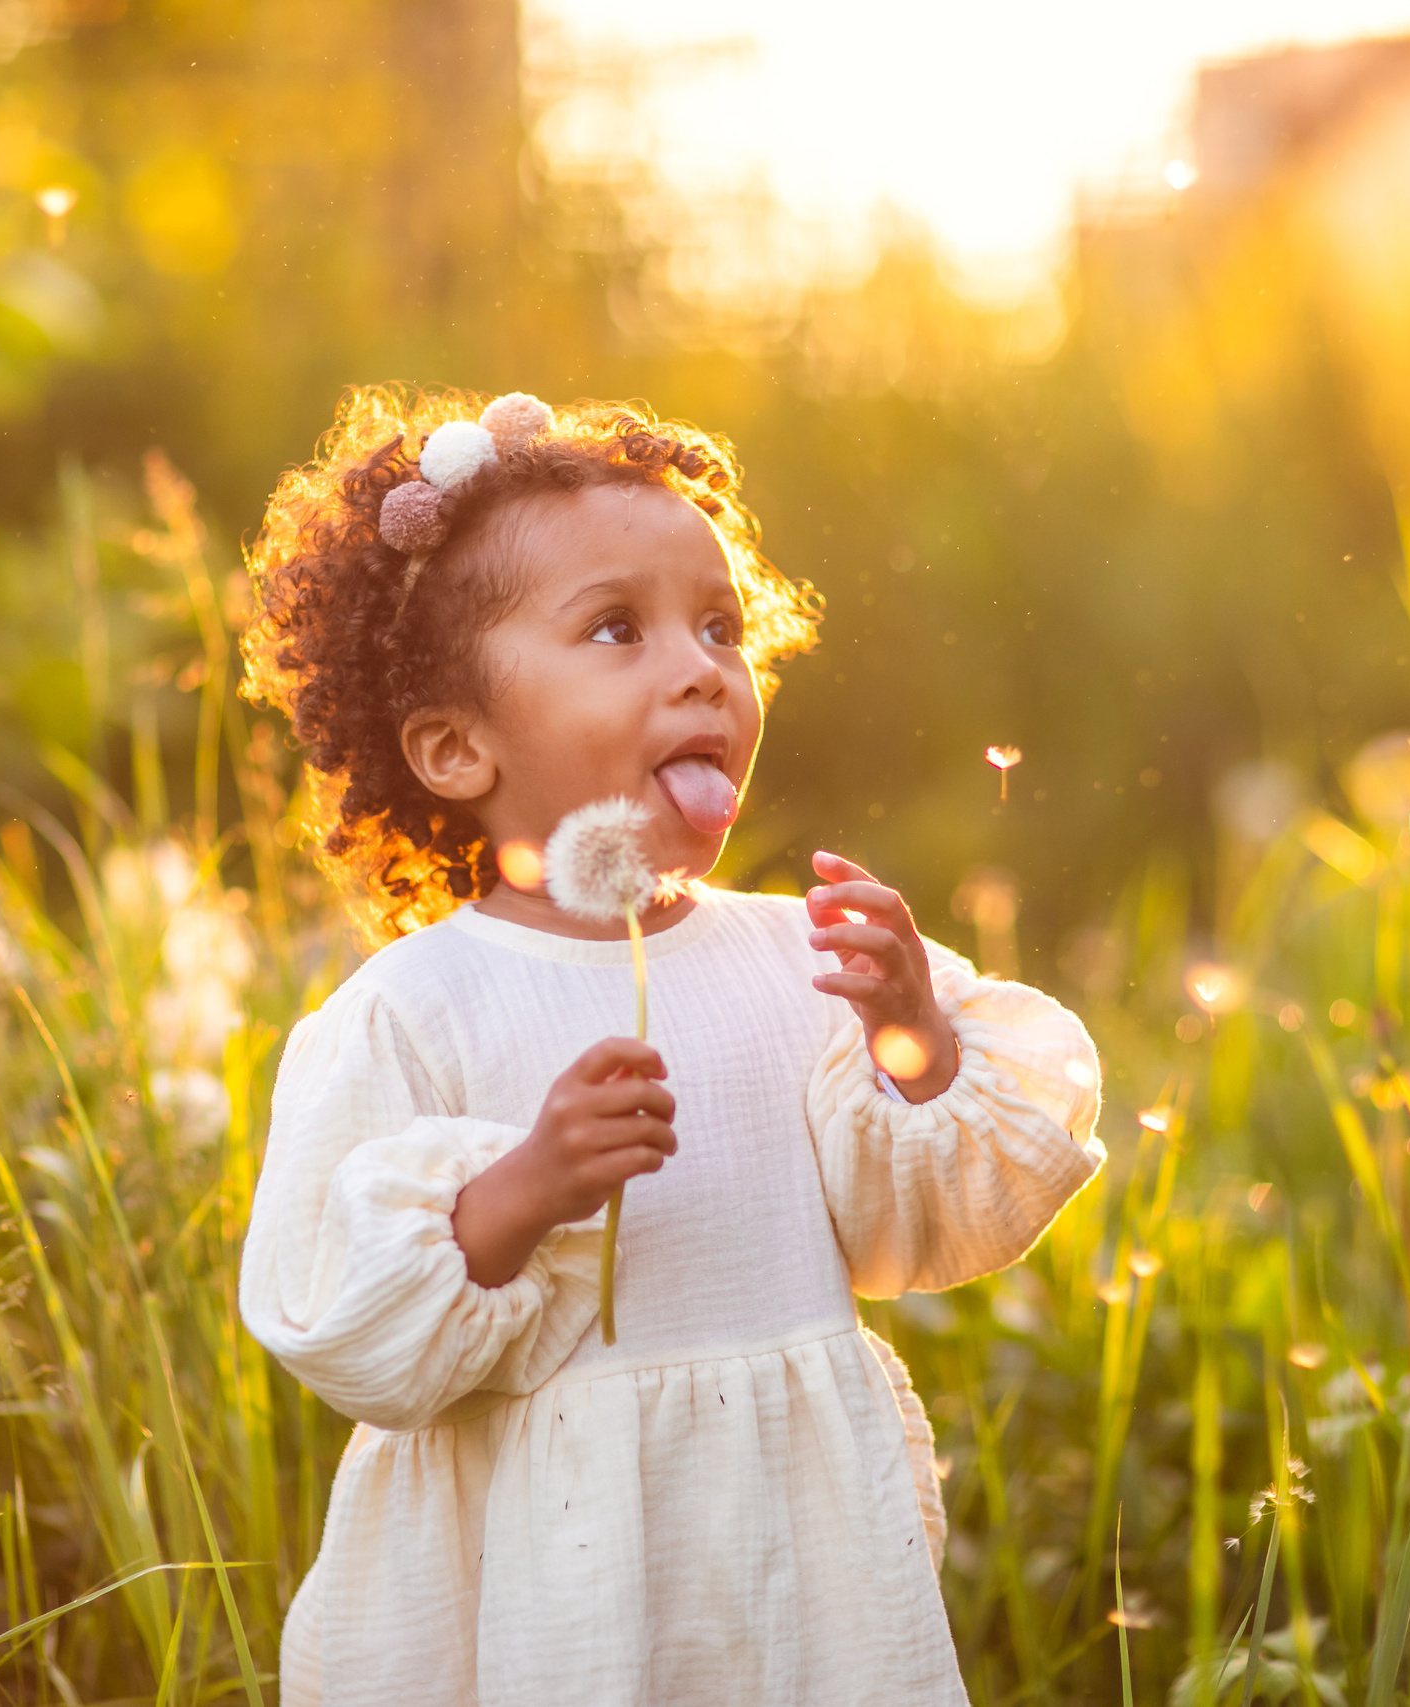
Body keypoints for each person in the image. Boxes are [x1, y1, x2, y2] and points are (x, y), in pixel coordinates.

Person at [236, 385, 1104, 1705]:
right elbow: (349, 1337)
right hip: (544, 1566)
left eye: (720, 627)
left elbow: (919, 1232)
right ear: (456, 745)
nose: (701, 668)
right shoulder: (415, 1011)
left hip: (791, 1552)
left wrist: (908, 1033)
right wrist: (524, 1186)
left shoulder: (797, 961)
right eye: (615, 630)